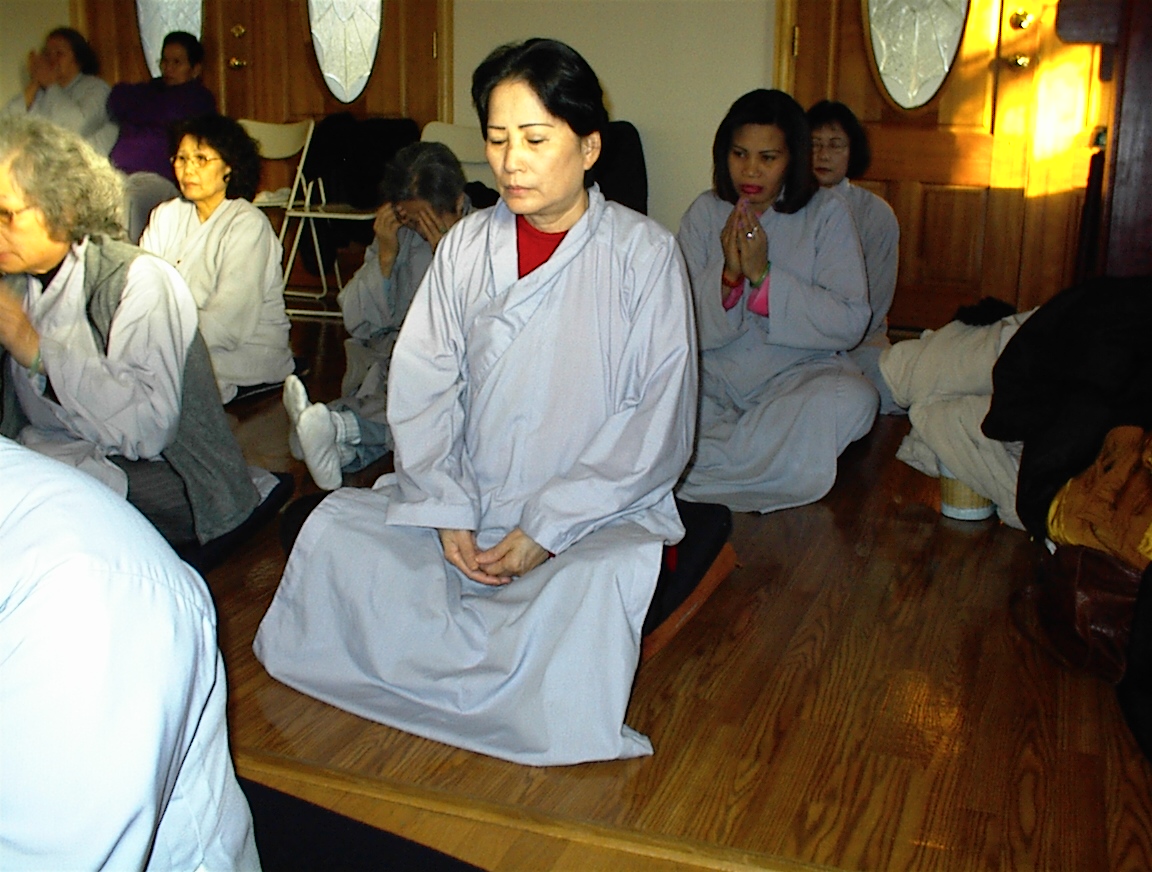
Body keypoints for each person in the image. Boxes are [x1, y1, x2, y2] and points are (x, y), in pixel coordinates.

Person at [254, 38, 697, 766]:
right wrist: (447, 506)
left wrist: (547, 528)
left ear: (589, 147)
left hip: (589, 514)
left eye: (535, 139)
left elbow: (656, 424)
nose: (511, 161)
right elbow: (424, 386)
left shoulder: (644, 255)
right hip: (474, 490)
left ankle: (476, 649)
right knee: (329, 530)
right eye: (496, 139)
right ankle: (487, 652)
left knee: (592, 586)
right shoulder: (466, 247)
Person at [0, 114, 265, 550]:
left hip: (165, 476)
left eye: (8, 213)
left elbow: (146, 429)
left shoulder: (138, 280)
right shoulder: (16, 284)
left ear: (64, 208)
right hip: (56, 452)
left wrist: (37, 351)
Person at [0, 437, 260, 870]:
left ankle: (345, 433)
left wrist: (62, 389)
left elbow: (147, 431)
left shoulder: (75, 593)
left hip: (170, 471)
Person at [676, 88, 878, 514]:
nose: (751, 170)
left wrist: (763, 278)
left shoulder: (827, 213)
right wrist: (728, 278)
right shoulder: (704, 213)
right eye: (739, 154)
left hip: (795, 375)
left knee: (856, 400)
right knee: (652, 398)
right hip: (716, 375)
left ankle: (691, 471)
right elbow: (675, 321)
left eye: (768, 157)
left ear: (793, 159)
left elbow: (849, 319)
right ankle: (760, 465)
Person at [283, 140, 472, 489]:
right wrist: (385, 256)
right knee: (378, 397)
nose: (417, 230)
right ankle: (339, 450)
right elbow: (357, 319)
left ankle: (337, 427)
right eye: (408, 219)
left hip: (447, 367)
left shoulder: (484, 237)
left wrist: (448, 259)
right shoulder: (398, 234)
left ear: (458, 204)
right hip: (392, 361)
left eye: (425, 220)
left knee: (425, 405)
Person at [140, 113, 294, 403]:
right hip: (174, 338)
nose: (188, 169)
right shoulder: (165, 215)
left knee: (152, 372)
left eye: (201, 159)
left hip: (242, 351)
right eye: (182, 159)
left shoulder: (247, 224)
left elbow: (228, 325)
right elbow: (143, 287)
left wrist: (156, 337)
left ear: (229, 166)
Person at [808, 99, 901, 414]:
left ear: (852, 152)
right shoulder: (785, 208)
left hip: (860, 342)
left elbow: (877, 302)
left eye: (835, 145)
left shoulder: (876, 214)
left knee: (884, 394)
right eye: (814, 144)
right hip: (797, 340)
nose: (823, 154)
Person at [108, 31, 217, 242]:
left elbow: (171, 113)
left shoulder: (198, 98)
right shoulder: (151, 90)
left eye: (177, 62)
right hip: (117, 172)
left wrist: (138, 112)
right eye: (164, 61)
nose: (168, 68)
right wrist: (150, 112)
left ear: (195, 69)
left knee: (129, 201)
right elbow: (117, 97)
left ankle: (132, 259)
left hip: (158, 178)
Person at [2, 27, 118, 155]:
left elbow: (76, 128)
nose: (51, 60)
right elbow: (6, 126)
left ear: (78, 59)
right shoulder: (42, 93)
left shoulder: (97, 87)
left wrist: (51, 84)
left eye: (59, 53)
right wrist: (35, 82)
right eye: (47, 54)